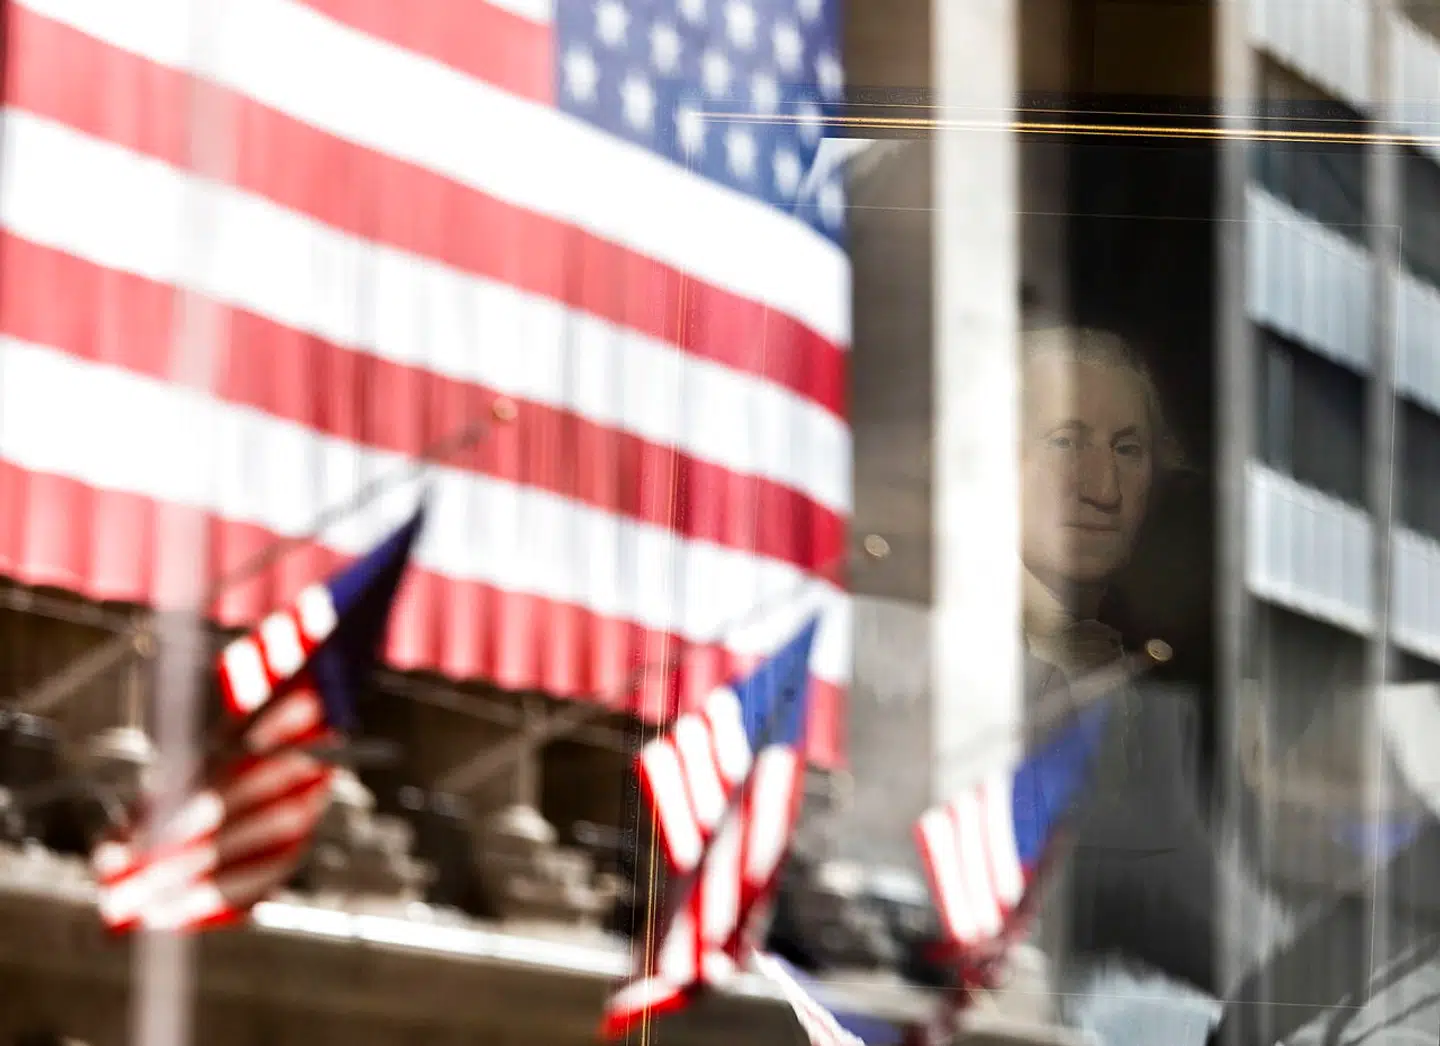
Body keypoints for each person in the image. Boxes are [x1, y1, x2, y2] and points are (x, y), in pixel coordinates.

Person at [989, 324, 1288, 1045]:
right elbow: (1216, 921)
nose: (1101, 488)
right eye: (1067, 441)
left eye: (1128, 450)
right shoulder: (1065, 698)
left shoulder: (1121, 679)